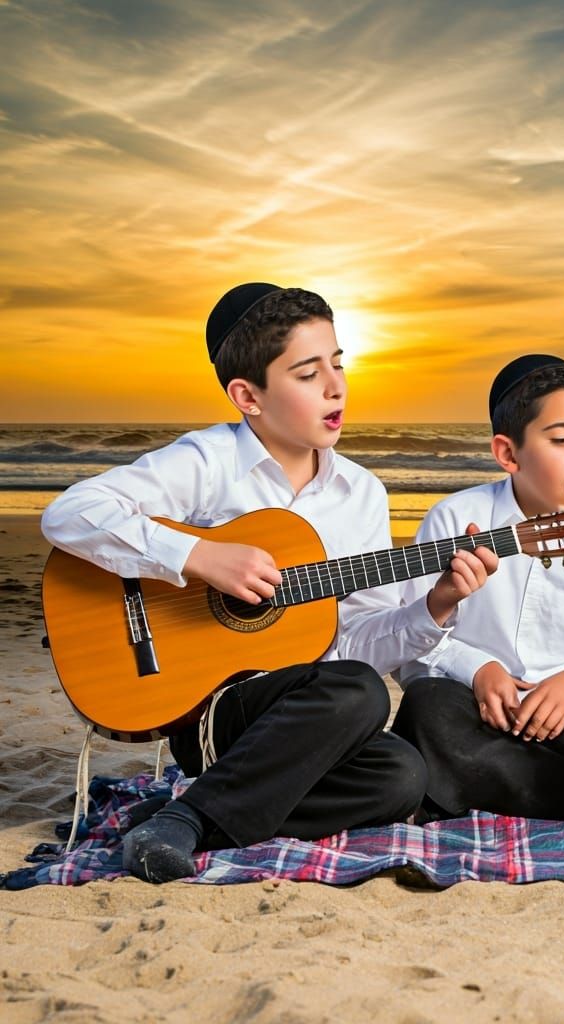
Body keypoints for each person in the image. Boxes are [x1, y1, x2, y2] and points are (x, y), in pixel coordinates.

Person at [41, 282, 498, 882]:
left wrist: (436, 605)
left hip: (303, 720)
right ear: (247, 395)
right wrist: (199, 555)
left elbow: (354, 638)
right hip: (210, 710)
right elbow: (70, 513)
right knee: (359, 691)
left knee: (401, 776)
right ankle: (202, 814)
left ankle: (186, 815)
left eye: (338, 365)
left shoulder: (362, 493)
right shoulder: (206, 461)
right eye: (308, 374)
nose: (336, 387)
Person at [386, 355, 564, 821]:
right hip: (480, 717)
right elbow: (411, 648)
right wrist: (477, 669)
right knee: (426, 704)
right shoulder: (454, 520)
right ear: (508, 453)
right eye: (562, 439)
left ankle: (486, 792)